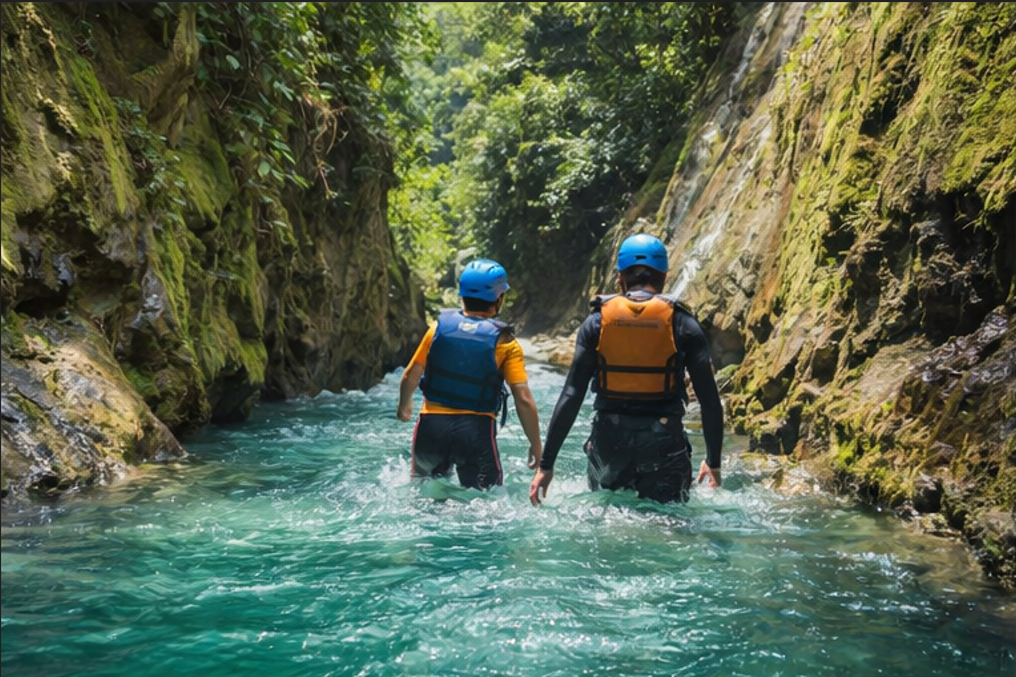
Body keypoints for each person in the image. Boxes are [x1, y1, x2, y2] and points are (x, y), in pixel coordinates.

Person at [529, 233, 723, 506]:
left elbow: (572, 394)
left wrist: (546, 466)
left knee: (608, 518)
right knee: (669, 526)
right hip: (663, 442)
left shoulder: (596, 322)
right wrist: (713, 462)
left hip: (609, 443)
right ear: (664, 276)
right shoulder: (683, 323)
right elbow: (710, 402)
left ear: (620, 277)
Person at [397, 258, 543, 490]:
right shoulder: (505, 343)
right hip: (475, 431)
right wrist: (536, 444)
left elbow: (410, 375)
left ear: (461, 295)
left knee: (423, 497)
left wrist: (404, 405)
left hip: (430, 427)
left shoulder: (436, 330)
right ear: (499, 298)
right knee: (485, 505)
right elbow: (523, 398)